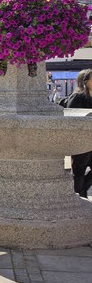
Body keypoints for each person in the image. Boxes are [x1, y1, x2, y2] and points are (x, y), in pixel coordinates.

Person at [64, 69, 92, 198]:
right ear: (85, 82)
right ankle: (79, 196)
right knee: (79, 172)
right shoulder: (78, 97)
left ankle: (83, 190)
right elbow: (70, 117)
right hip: (82, 141)